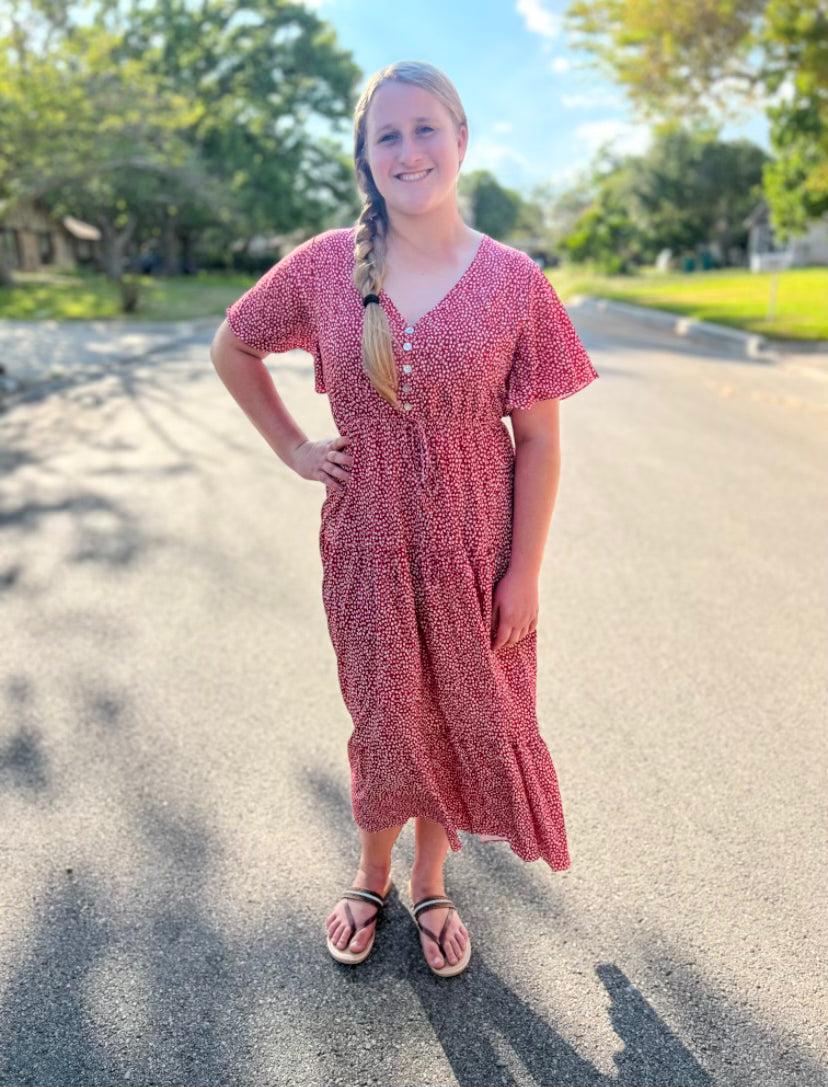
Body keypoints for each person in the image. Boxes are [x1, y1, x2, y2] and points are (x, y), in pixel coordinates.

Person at [210, 60, 600, 979]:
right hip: (368, 544)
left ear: (461, 140)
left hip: (477, 546)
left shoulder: (515, 282)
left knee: (459, 709)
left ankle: (430, 880)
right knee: (385, 713)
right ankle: (370, 874)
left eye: (426, 128)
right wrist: (294, 448)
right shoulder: (322, 267)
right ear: (365, 156)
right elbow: (233, 346)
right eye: (387, 134)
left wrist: (524, 572)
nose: (409, 149)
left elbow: (540, 440)